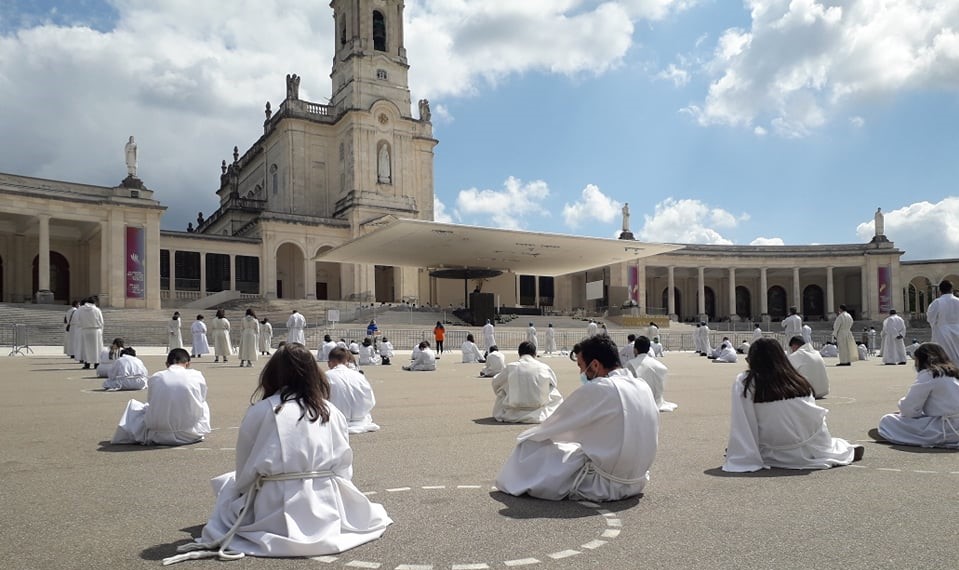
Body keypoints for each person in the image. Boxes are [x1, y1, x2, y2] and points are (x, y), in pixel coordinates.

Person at [162, 343, 391, 564]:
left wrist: (243, 492)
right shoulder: (330, 411)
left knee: (228, 485)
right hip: (326, 501)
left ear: (272, 374)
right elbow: (343, 464)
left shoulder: (261, 410)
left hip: (273, 504)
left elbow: (245, 466)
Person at [495, 335, 659, 501]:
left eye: (582, 366)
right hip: (637, 480)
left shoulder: (600, 388)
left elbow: (552, 428)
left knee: (529, 447)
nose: (581, 373)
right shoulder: (642, 385)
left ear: (595, 365)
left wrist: (525, 437)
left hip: (605, 484)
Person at [722, 338, 862, 472]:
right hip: (816, 442)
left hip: (778, 449)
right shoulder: (797, 379)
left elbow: (743, 421)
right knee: (835, 443)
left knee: (743, 445)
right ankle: (833, 450)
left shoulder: (746, 381)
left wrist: (741, 449)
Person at [111, 348, 211, 446]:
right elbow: (201, 398)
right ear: (188, 363)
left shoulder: (157, 376)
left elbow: (151, 401)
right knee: (203, 403)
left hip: (159, 434)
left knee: (134, 406)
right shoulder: (196, 375)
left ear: (167, 364)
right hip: (190, 434)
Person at [877, 342, 959, 449]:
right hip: (952, 423)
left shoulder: (929, 374)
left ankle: (898, 435)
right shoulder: (954, 374)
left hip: (946, 429)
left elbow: (910, 409)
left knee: (887, 420)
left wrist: (903, 412)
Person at [491, 342, 563, 424]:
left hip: (513, 411)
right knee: (553, 390)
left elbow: (496, 383)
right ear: (535, 353)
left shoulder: (511, 367)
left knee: (502, 389)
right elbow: (554, 383)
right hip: (539, 409)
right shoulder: (544, 367)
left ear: (519, 353)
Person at [326, 347, 380, 433]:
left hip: (336, 419)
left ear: (329, 363)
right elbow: (370, 400)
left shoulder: (326, 376)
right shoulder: (359, 376)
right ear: (346, 362)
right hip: (360, 420)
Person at [627, 336, 677, 412]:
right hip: (657, 399)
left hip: (639, 400)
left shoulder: (630, 364)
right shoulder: (660, 365)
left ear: (635, 350)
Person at [927, 280, 959, 365]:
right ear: (952, 289)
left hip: (942, 332)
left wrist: (936, 324)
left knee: (944, 356)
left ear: (940, 291)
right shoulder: (958, 301)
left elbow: (930, 318)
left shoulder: (937, 302)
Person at [75, 297, 104, 369]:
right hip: (96, 330)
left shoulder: (80, 309)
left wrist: (82, 325)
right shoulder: (97, 310)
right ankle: (96, 363)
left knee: (86, 348)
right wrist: (101, 330)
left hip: (85, 330)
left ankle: (87, 363)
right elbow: (101, 321)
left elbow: (77, 319)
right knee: (97, 348)